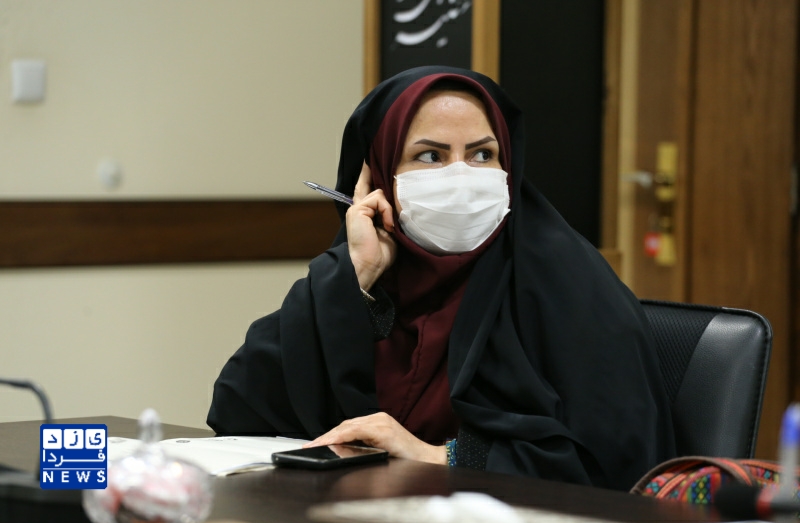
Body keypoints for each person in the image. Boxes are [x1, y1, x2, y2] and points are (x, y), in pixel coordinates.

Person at [207, 65, 675, 490]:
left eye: (482, 154)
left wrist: (439, 457)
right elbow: (239, 411)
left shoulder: (569, 284)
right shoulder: (361, 278)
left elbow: (619, 466)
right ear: (380, 176)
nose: (461, 178)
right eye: (430, 156)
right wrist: (355, 277)